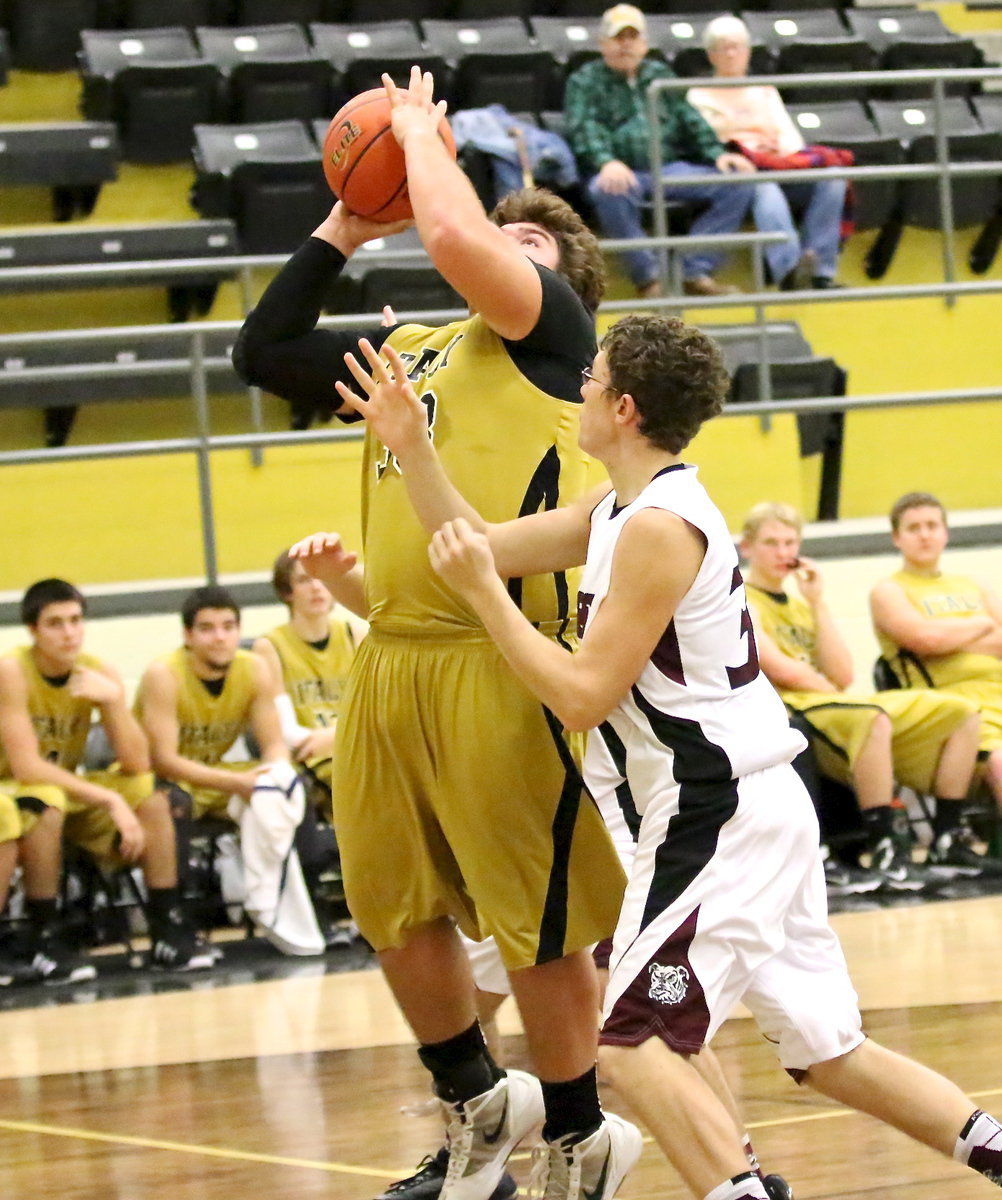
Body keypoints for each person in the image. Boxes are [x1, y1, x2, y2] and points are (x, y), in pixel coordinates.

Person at [335, 310, 1002, 1200]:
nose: (577, 386)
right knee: (831, 1054)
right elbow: (477, 545)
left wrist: (488, 603)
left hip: (716, 813)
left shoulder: (660, 527)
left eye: (591, 377)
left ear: (624, 406)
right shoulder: (616, 510)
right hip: (745, 805)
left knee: (632, 1045)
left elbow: (577, 692)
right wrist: (412, 447)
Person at [237, 67, 638, 1200]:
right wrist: (344, 225)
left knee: (537, 925)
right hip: (393, 663)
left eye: (535, 242)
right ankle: (476, 1102)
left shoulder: (553, 339)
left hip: (499, 654)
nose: (509, 243)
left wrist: (415, 130)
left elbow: (463, 236)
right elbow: (263, 352)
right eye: (505, 230)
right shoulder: (408, 349)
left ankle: (576, 1132)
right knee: (389, 906)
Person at [740, 502, 996, 883]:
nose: (784, 553)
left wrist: (818, 602)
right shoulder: (742, 597)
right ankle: (885, 845)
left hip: (830, 699)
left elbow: (843, 673)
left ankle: (947, 837)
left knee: (958, 711)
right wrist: (826, 685)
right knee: (870, 717)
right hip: (786, 707)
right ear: (747, 548)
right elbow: (777, 666)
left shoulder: (800, 603)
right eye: (772, 543)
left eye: (791, 543)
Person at [0, 578, 212, 979]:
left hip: (60, 785)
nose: (69, 633)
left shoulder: (95, 670)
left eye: (76, 620)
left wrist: (113, 700)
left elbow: (137, 763)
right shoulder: (12, 670)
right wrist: (109, 801)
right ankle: (44, 935)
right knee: (47, 799)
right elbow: (26, 767)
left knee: (150, 794)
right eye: (55, 623)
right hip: (11, 788)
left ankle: (167, 928)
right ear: (33, 630)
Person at [135, 585, 318, 956]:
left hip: (214, 774)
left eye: (228, 626)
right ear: (188, 635)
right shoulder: (164, 675)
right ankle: (175, 928)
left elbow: (274, 744)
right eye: (207, 628)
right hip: (161, 779)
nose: (220, 637)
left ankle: (303, 912)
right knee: (173, 803)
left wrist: (277, 776)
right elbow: (164, 760)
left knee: (291, 786)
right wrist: (239, 782)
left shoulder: (254, 668)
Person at [564, 3, 756, 299]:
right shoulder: (584, 81)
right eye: (618, 37)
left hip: (668, 168)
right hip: (618, 171)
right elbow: (582, 128)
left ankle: (694, 270)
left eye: (633, 37)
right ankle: (649, 278)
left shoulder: (660, 73)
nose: (626, 45)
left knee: (736, 183)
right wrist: (606, 161)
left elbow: (689, 118)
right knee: (608, 189)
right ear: (603, 43)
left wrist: (717, 153)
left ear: (644, 44)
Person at [870, 491, 1002, 842]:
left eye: (932, 525)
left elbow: (943, 639)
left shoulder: (974, 585)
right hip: (955, 710)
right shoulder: (889, 591)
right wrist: (982, 625)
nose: (925, 534)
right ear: (897, 538)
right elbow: (924, 640)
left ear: (945, 532)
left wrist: (950, 636)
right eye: (914, 528)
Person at [687, 16, 847, 290]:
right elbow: (713, 139)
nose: (731, 53)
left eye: (737, 47)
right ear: (711, 54)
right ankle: (789, 271)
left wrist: (780, 154)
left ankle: (821, 273)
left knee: (832, 178)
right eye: (723, 48)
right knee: (764, 186)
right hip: (739, 169)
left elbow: (788, 135)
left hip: (775, 162)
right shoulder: (697, 96)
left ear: (748, 51)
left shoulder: (764, 91)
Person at [253, 550, 366, 803]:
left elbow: (377, 712)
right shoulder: (270, 646)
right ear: (287, 592)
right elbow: (287, 733)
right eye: (305, 580)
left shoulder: (355, 635)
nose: (317, 588)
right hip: (313, 759)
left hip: (360, 746)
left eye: (322, 579)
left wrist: (333, 736)